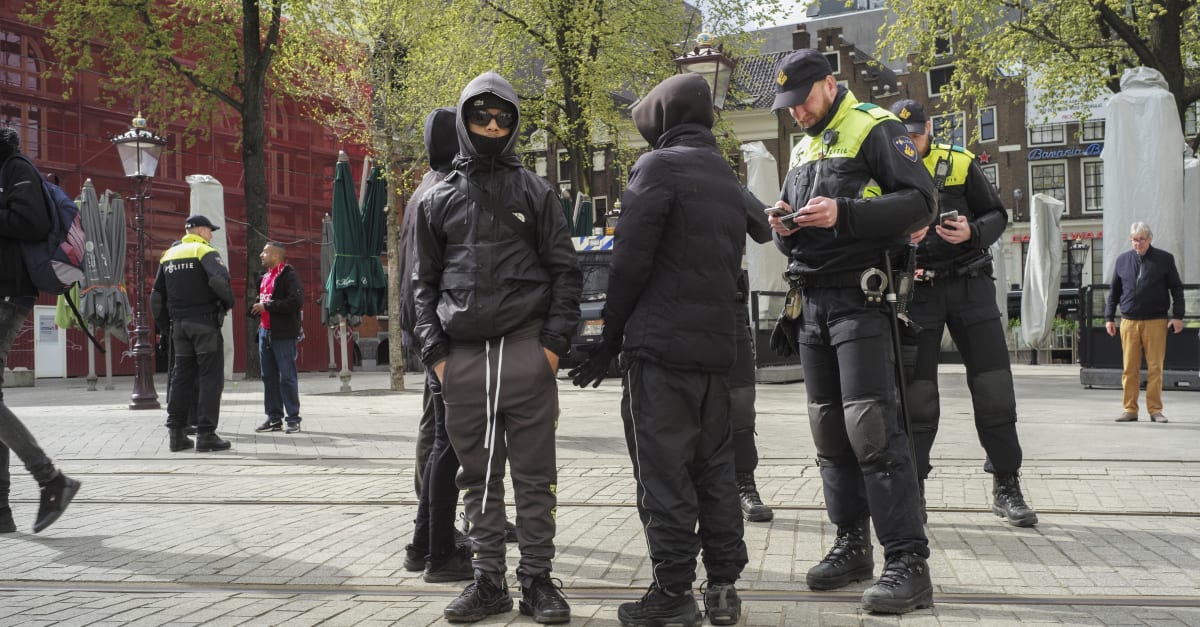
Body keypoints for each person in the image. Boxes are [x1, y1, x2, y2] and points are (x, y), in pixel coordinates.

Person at [571, 73, 750, 627]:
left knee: (664, 472)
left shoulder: (656, 168)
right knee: (715, 469)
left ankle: (672, 591)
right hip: (718, 352)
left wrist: (607, 338)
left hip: (662, 353)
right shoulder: (725, 173)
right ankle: (722, 588)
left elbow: (629, 264)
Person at [766, 49, 936, 614]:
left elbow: (920, 204)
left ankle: (908, 563)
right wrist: (784, 227)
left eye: (802, 101)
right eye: (787, 106)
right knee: (829, 434)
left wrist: (844, 215)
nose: (796, 114)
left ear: (829, 85)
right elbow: (797, 238)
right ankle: (851, 545)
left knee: (871, 429)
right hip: (812, 300)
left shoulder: (875, 128)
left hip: (862, 302)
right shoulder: (803, 147)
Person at [413, 71, 581, 624]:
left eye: (502, 117)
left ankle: (537, 580)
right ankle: (489, 581)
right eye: (480, 116)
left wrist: (551, 349)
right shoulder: (438, 199)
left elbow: (565, 272)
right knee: (477, 479)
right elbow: (423, 284)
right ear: (463, 119)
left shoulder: (536, 192)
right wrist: (438, 357)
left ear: (513, 124)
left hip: (526, 352)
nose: (491, 125)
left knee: (536, 478)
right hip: (462, 359)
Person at [888, 98, 1038, 528]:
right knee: (916, 397)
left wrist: (973, 231)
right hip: (917, 292)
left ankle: (1006, 483)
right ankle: (913, 490)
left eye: (916, 136)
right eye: (903, 139)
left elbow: (998, 214)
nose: (911, 146)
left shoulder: (959, 163)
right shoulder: (884, 169)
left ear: (929, 128)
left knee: (993, 389)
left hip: (971, 286)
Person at [399, 106, 472, 584]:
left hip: (423, 328)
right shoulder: (447, 190)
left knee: (438, 430)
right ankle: (431, 534)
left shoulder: (419, 190)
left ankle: (430, 532)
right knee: (444, 435)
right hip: (442, 332)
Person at [0, 126, 82, 534]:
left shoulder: (15, 167)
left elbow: (29, 222)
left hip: (7, 293)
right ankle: (1, 511)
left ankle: (50, 479)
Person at [151, 215, 235, 453]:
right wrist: (228, 303)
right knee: (210, 377)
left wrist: (166, 325)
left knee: (181, 378)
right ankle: (206, 434)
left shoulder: (169, 255)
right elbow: (220, 281)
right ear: (199, 230)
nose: (211, 235)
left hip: (179, 326)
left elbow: (156, 297)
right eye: (209, 230)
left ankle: (176, 435)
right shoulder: (204, 251)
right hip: (205, 325)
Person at [1105, 222, 1185, 423]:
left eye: (1141, 239)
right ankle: (1130, 409)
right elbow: (1114, 292)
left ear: (1150, 239)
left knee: (1155, 367)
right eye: (1134, 239)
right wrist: (1108, 318)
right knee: (1129, 368)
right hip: (1128, 322)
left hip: (1156, 321)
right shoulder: (1122, 260)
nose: (1138, 243)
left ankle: (1155, 410)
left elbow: (1176, 289)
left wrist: (1178, 316)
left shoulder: (1165, 259)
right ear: (1130, 240)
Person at [733, 190, 775, 524]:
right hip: (674, 313)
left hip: (727, 310)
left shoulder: (724, 181)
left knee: (741, 403)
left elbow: (765, 227)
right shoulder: (656, 174)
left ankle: (743, 482)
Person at [251, 241, 304, 434]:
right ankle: (273, 418)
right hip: (265, 331)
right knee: (268, 377)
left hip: (283, 334)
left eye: (265, 252)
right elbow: (264, 301)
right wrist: (257, 307)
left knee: (287, 376)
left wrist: (267, 307)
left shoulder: (288, 276)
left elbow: (295, 301)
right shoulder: (264, 277)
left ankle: (293, 418)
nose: (261, 255)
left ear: (276, 256)